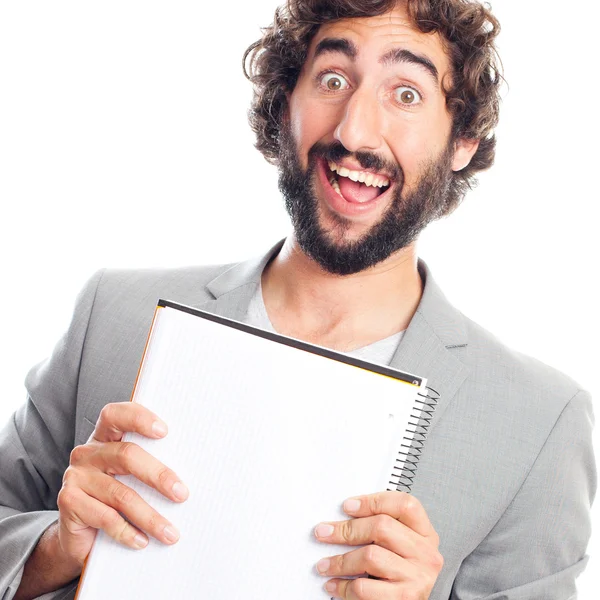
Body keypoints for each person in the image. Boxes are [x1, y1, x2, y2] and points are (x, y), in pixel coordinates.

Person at [0, 0, 595, 599]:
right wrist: (54, 548)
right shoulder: (114, 312)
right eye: (332, 80)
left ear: (463, 140)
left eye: (406, 93)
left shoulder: (541, 422)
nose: (354, 131)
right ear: (286, 105)